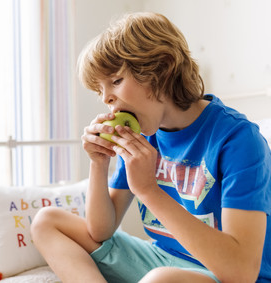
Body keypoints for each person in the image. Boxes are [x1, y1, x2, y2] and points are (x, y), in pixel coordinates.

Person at [30, 12, 271, 283]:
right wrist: (99, 162)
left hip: (220, 272)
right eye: (100, 90)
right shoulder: (143, 134)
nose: (107, 97)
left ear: (162, 69)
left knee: (160, 280)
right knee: (46, 221)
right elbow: (99, 232)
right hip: (162, 259)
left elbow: (241, 273)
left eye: (116, 81)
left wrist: (148, 190)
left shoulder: (238, 139)